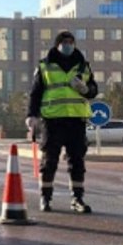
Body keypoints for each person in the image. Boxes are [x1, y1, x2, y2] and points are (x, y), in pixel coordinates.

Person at [26, 31, 98, 213]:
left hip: (76, 120)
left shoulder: (83, 66)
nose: (68, 45)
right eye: (64, 42)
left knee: (77, 161)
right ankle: (46, 198)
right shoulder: (45, 66)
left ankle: (77, 199)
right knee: (49, 161)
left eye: (71, 42)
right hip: (52, 120)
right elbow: (36, 92)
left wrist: (85, 89)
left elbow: (94, 90)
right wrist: (32, 116)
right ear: (57, 44)